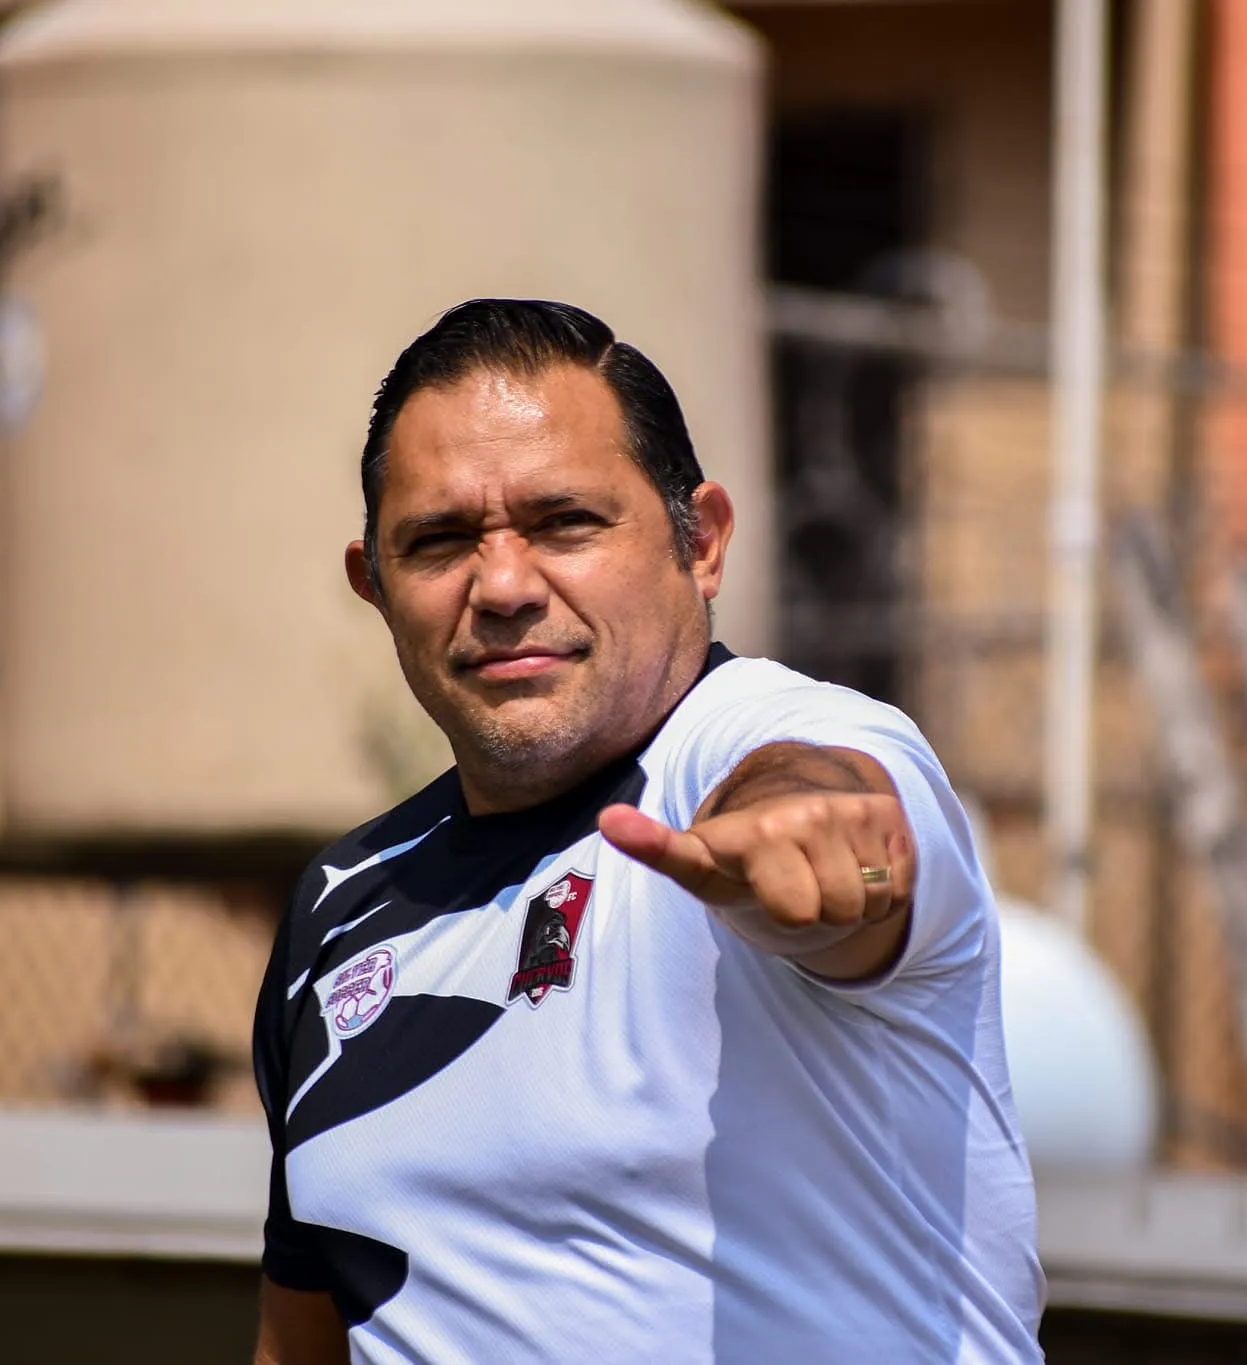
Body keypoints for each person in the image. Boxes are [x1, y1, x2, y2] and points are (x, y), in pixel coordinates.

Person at [251, 299, 1043, 1365]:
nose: (502, 586)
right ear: (375, 585)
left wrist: (808, 846)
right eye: (439, 541)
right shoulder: (338, 909)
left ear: (699, 542)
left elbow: (828, 802)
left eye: (565, 522)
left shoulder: (785, 744)